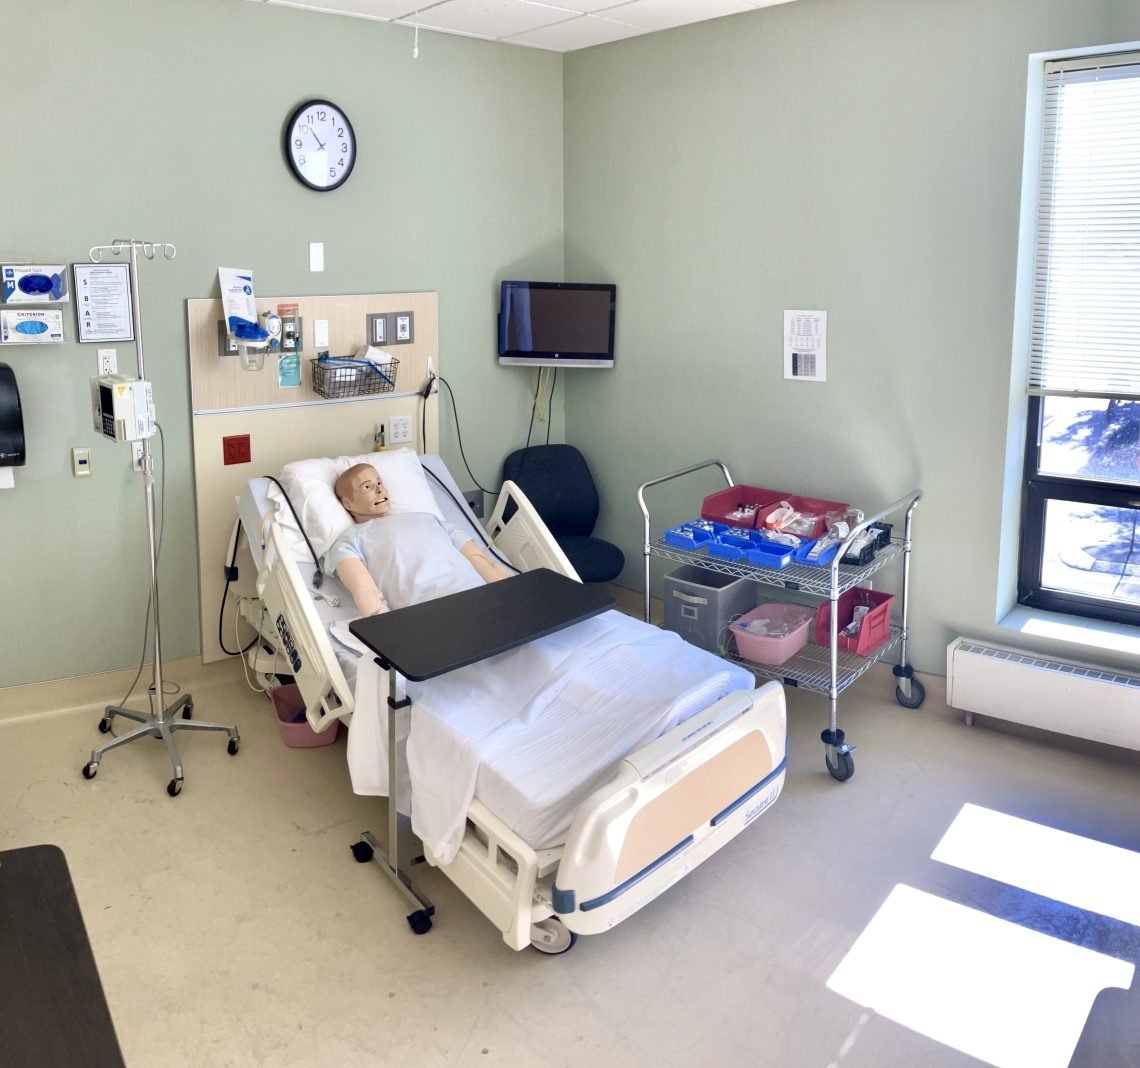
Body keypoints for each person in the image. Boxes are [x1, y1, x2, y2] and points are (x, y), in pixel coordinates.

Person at [325, 462, 512, 616]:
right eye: (367, 487)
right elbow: (365, 592)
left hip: (482, 598)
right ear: (348, 503)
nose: (380, 489)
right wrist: (389, 635)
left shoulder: (429, 519)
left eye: (379, 482)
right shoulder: (350, 541)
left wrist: (511, 594)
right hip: (426, 611)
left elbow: (478, 560)